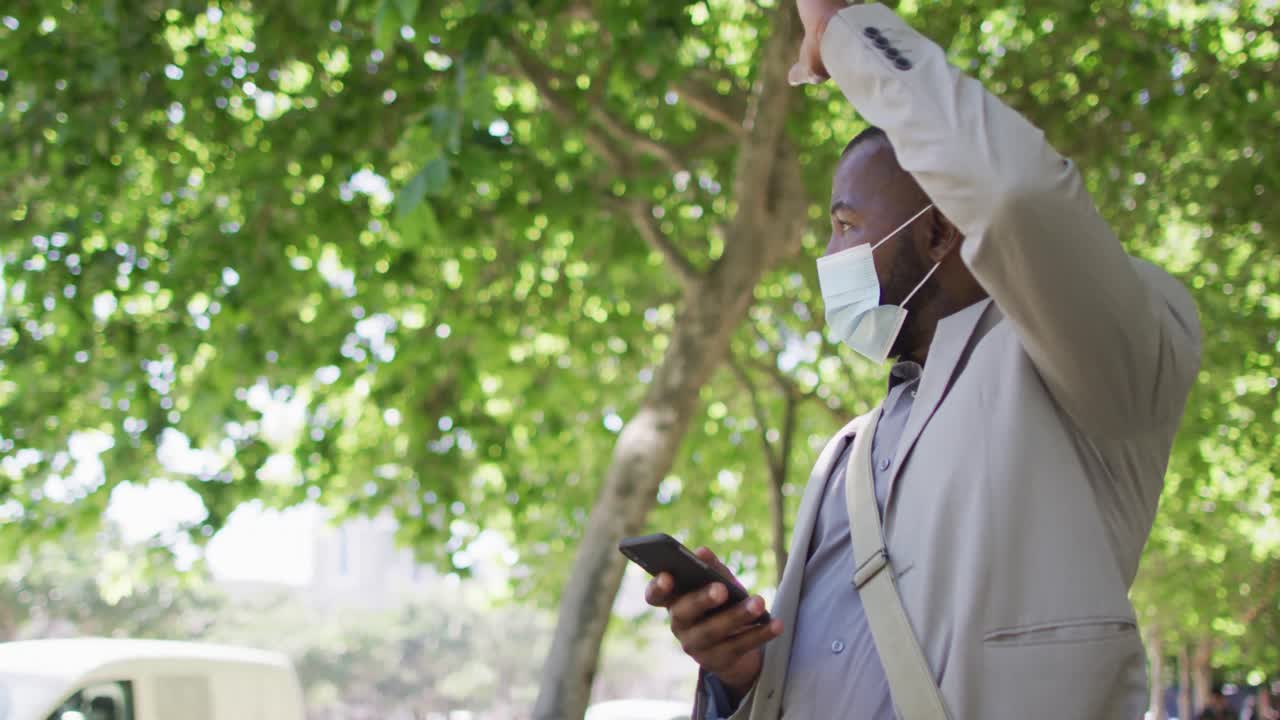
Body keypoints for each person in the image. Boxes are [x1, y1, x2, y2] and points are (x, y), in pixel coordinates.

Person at [644, 1, 1202, 718]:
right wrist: (738, 674)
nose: (829, 254)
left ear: (938, 230)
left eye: (846, 224)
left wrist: (843, 33)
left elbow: (1015, 194)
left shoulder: (1095, 351)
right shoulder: (845, 453)